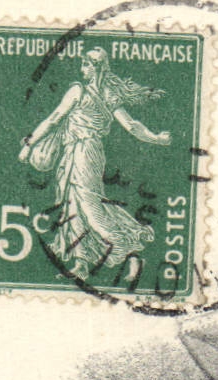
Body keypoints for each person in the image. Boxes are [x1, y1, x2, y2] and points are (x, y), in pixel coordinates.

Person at [18, 47, 170, 285]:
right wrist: (156, 138)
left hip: (83, 152)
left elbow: (55, 118)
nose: (82, 69)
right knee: (71, 205)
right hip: (78, 152)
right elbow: (132, 126)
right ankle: (81, 263)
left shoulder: (78, 91)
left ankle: (120, 243)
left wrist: (29, 144)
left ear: (94, 66)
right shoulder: (109, 94)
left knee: (88, 203)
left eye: (86, 65)